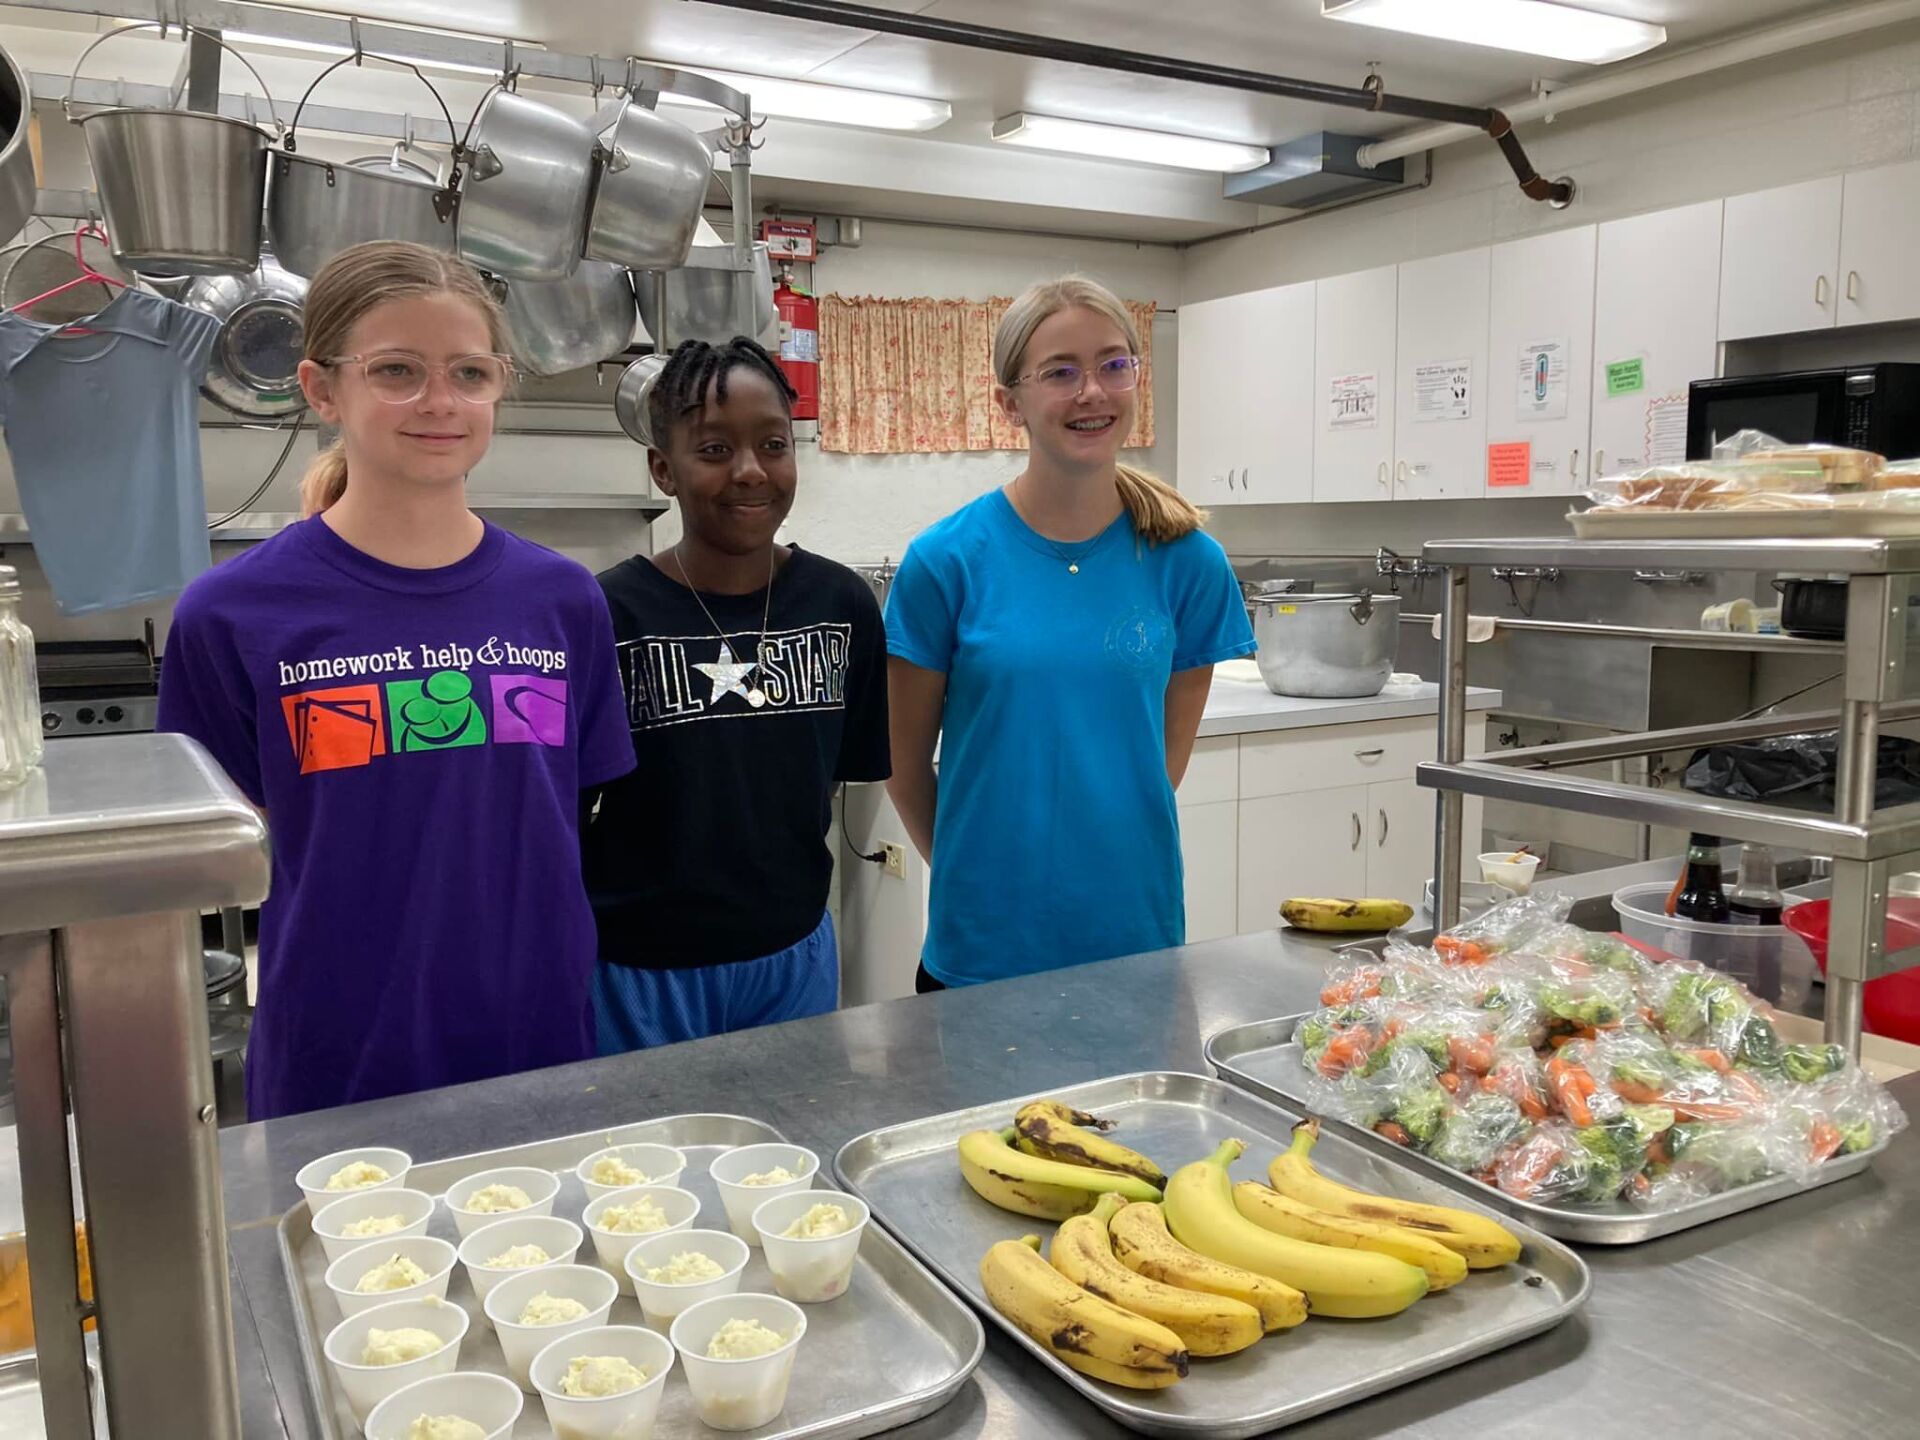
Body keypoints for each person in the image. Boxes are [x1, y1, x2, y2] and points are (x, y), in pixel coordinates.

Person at [157, 241, 635, 1119]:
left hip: (536, 1044)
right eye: (397, 371)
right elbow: (241, 850)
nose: (440, 402)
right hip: (343, 1053)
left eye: (469, 372)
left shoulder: (562, 601)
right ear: (320, 388)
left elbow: (552, 823)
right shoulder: (231, 614)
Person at [885, 275, 1254, 990]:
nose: (1092, 391)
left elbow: (1159, 767)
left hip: (1134, 940)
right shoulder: (947, 562)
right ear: (1009, 403)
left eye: (1114, 364)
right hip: (982, 951)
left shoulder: (1187, 563)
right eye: (1061, 372)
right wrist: (978, 870)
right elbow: (901, 766)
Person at [583, 337, 889, 1051]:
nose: (750, 471)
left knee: (787, 1153)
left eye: (773, 445)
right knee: (647, 1159)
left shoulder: (841, 603)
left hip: (792, 956)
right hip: (641, 970)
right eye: (714, 449)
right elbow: (566, 815)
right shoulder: (607, 614)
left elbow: (847, 778)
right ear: (664, 468)